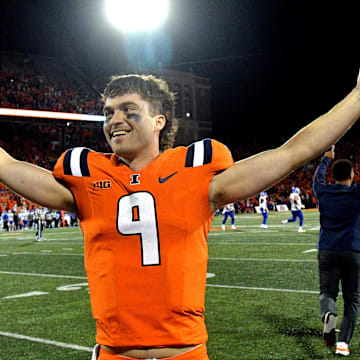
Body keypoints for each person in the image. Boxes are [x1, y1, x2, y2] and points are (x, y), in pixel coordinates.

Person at [1, 72, 360, 360]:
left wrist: (357, 97)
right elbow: (10, 167)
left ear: (159, 121)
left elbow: (293, 152)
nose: (115, 120)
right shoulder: (87, 175)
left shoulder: (195, 170)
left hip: (184, 352)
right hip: (114, 353)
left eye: (128, 109)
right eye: (109, 112)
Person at [313, 145, 360, 357]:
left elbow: (317, 179)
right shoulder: (356, 194)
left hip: (327, 249)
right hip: (352, 250)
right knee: (352, 299)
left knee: (327, 293)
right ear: (352, 174)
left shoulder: (324, 192)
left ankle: (328, 314)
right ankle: (343, 343)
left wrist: (326, 158)